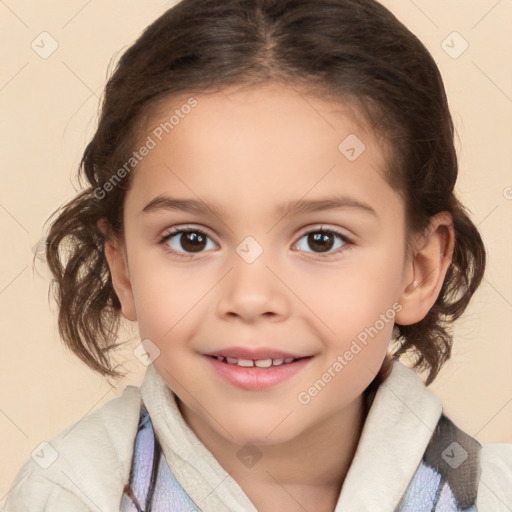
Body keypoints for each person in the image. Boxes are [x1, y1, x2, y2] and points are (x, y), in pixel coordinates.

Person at [5, 0, 512, 510]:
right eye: (191, 239)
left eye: (321, 240)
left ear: (418, 272)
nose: (250, 298)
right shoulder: (71, 493)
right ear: (123, 269)